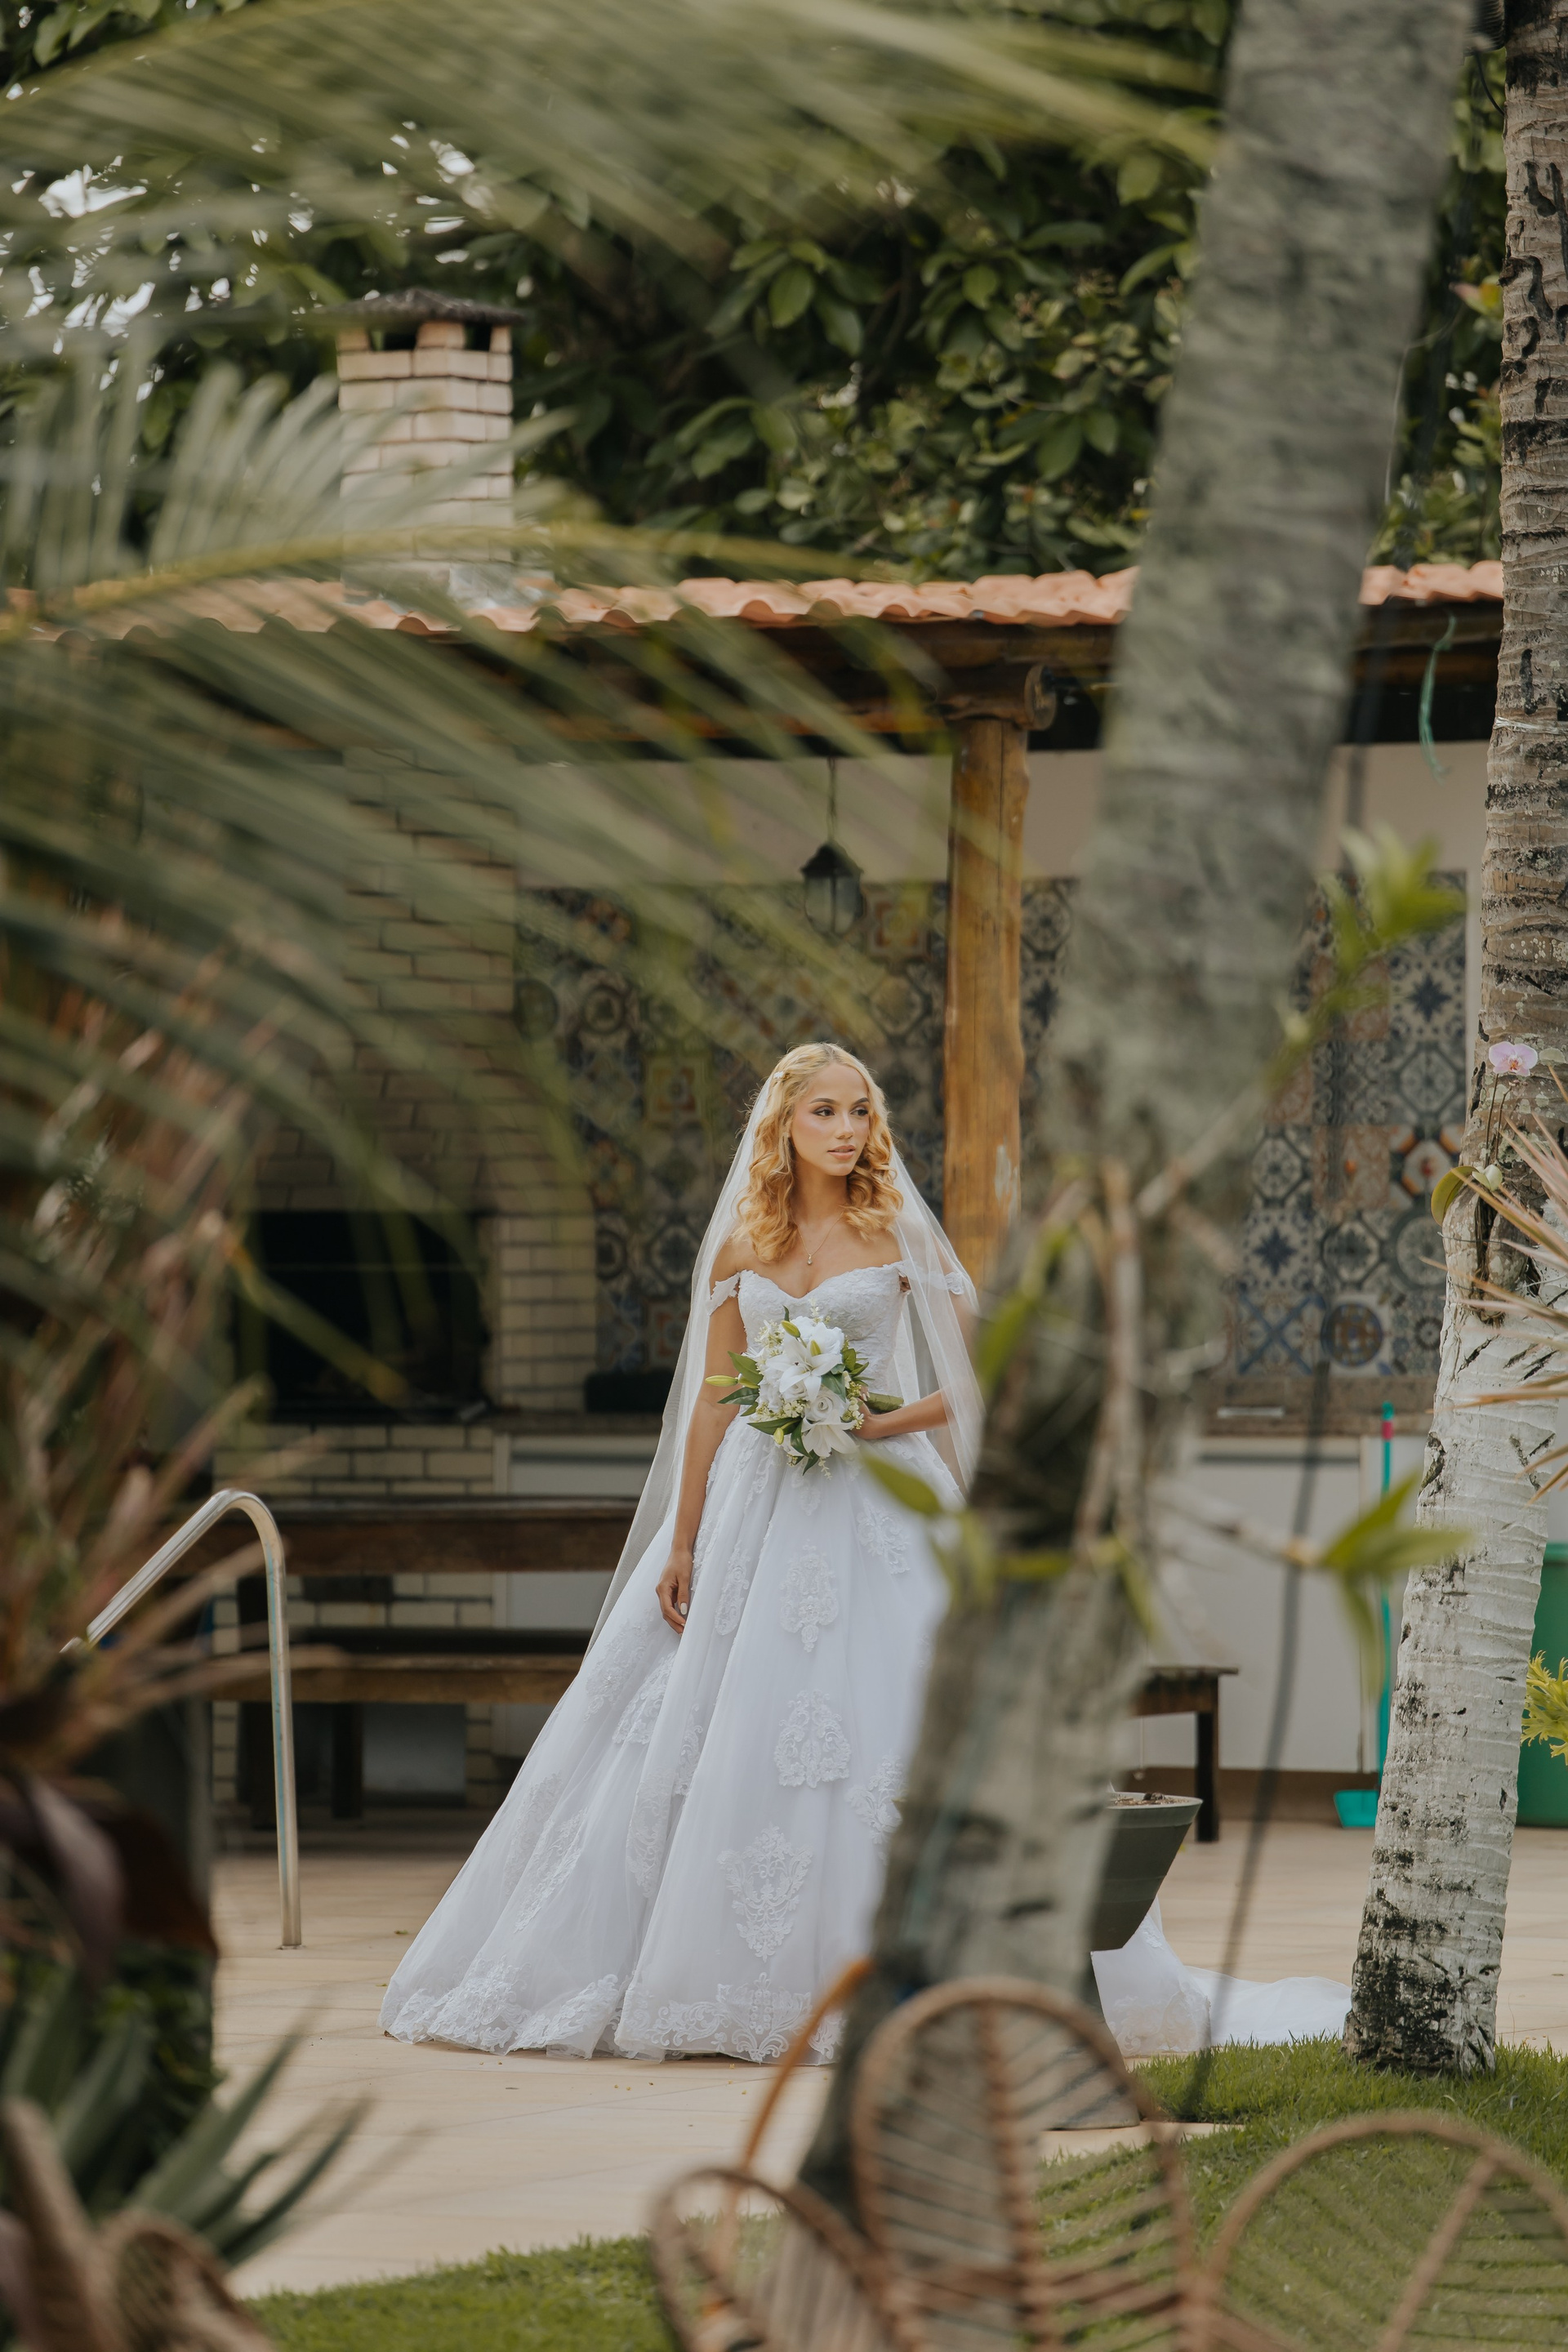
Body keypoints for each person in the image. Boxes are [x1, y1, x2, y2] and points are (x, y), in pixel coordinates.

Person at [381, 1040, 981, 2063]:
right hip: (754, 1500)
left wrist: (876, 1421)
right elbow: (713, 1399)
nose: (847, 1130)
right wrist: (685, 1537)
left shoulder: (895, 1230)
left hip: (875, 1497)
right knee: (687, 1720)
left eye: (860, 1112)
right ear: (783, 1124)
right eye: (825, 1112)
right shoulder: (744, 1242)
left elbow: (974, 1378)